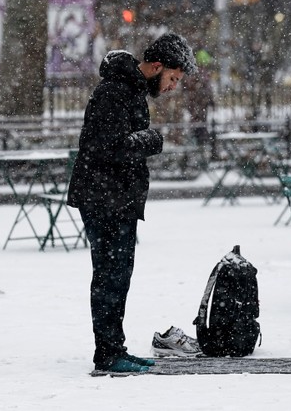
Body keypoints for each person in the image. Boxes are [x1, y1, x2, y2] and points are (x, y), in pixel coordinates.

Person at [67, 32, 197, 374]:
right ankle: (108, 354)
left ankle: (115, 348)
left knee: (117, 276)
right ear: (156, 66)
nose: (172, 87)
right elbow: (106, 148)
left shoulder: (129, 90)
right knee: (110, 277)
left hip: (114, 197)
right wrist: (150, 140)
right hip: (103, 198)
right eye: (172, 78)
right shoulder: (116, 92)